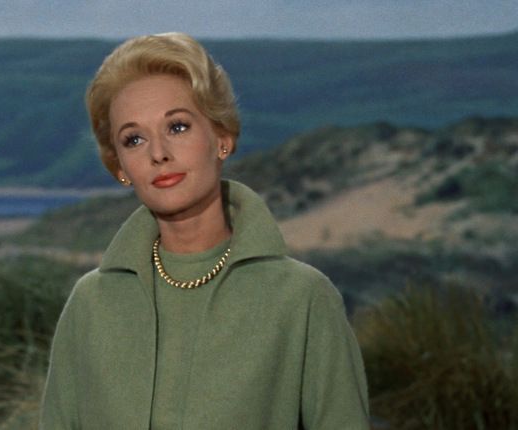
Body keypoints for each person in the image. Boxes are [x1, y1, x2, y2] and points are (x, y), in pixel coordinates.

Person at [40, 32, 369, 429]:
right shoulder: (90, 304)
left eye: (177, 127)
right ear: (120, 167)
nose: (158, 153)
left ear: (221, 138)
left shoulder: (302, 299)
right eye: (134, 139)